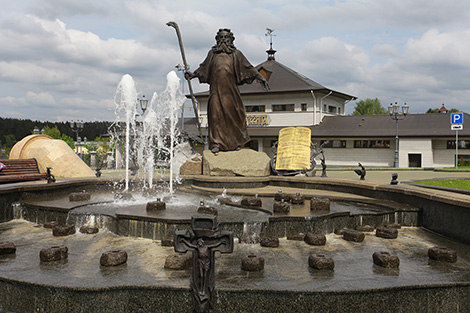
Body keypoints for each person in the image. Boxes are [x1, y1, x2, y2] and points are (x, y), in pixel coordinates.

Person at [185, 28, 269, 154]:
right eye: (221, 38)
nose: (223, 41)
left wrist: (260, 77)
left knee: (233, 116)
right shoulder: (212, 54)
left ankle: (236, 142)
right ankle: (216, 143)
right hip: (215, 91)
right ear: (217, 40)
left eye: (226, 38)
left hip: (231, 92)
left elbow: (248, 67)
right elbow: (203, 68)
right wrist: (193, 75)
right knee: (215, 116)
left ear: (231, 40)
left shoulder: (236, 54)